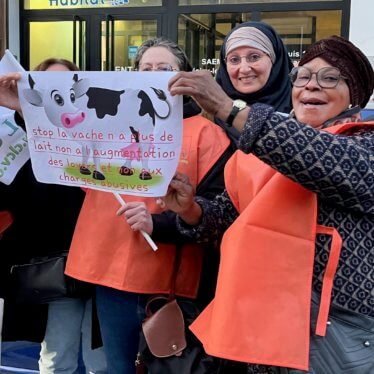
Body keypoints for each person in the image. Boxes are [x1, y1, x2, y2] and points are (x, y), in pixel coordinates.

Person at [160, 35, 374, 373]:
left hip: (331, 335)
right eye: (303, 77)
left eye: (330, 78)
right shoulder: (264, 151)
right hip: (261, 328)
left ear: (356, 93)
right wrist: (191, 209)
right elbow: (227, 221)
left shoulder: (363, 143)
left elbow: (322, 159)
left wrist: (229, 109)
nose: (311, 87)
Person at [64, 38, 232, 374]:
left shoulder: (206, 134)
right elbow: (59, 142)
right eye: (146, 69)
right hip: (111, 278)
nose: (154, 76)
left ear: (183, 77)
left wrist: (160, 222)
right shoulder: (104, 125)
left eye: (165, 69)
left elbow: (217, 210)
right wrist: (23, 107)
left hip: (169, 284)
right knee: (119, 367)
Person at [0, 58, 107, 374]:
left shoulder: (101, 132)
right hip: (57, 268)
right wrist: (22, 113)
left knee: (102, 362)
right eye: (47, 85)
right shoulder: (19, 142)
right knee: (56, 357)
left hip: (103, 265)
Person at [212, 21, 293, 145]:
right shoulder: (208, 115)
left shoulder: (304, 108)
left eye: (254, 57)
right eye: (234, 60)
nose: (244, 69)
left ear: (274, 59)